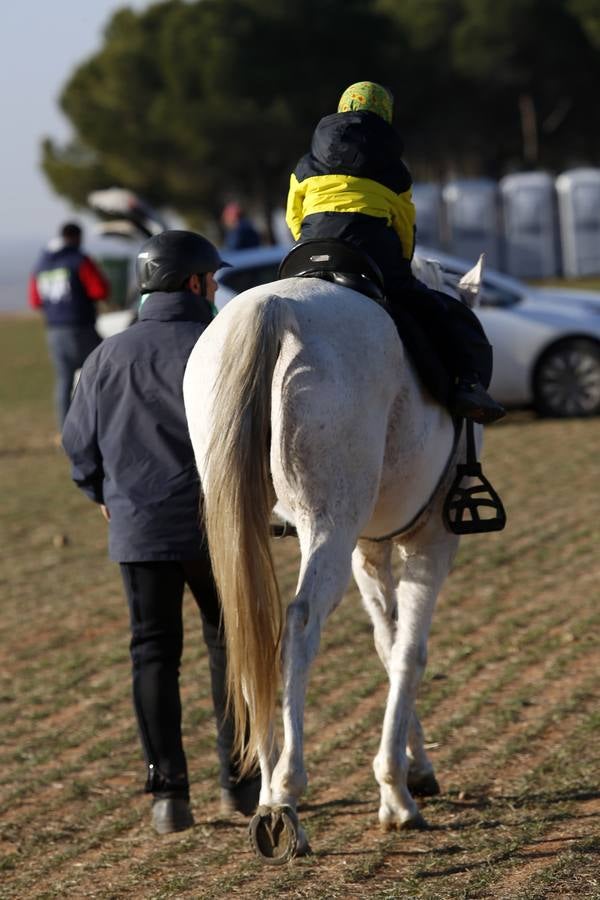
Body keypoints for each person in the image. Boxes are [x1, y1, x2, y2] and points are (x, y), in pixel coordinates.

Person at [62, 230, 260, 835]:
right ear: (197, 283)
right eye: (213, 280)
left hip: (139, 530)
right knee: (229, 648)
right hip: (217, 528)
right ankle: (241, 786)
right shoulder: (221, 346)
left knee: (153, 655)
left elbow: (78, 445)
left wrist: (102, 494)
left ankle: (168, 796)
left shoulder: (104, 356)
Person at [285, 81, 505, 424]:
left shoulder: (305, 163)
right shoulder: (393, 167)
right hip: (369, 255)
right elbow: (404, 227)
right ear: (384, 113)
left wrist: (309, 243)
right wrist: (402, 269)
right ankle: (467, 384)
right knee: (434, 309)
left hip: (310, 250)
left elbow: (294, 215)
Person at [29, 222, 110, 430]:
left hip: (54, 331)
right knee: (102, 372)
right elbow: (99, 290)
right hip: (80, 327)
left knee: (64, 381)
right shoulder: (78, 260)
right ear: (77, 237)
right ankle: (102, 425)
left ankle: (66, 430)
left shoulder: (41, 264)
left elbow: (35, 300)